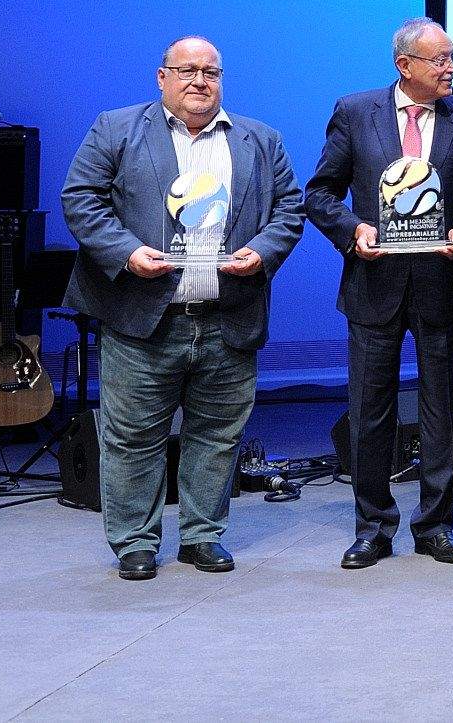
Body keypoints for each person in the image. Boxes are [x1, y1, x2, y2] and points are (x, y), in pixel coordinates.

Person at [61, 37, 305, 580]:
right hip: (143, 317)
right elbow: (80, 198)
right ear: (162, 77)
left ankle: (202, 535)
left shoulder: (261, 139)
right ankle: (135, 542)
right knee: (132, 437)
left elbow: (290, 209)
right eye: (187, 70)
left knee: (217, 436)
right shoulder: (116, 129)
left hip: (228, 316)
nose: (200, 81)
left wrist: (261, 252)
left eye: (210, 72)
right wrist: (126, 253)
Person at [304, 18, 453, 570]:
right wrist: (353, 230)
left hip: (442, 282)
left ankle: (435, 526)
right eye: (440, 60)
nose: (450, 69)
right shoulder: (355, 111)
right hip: (374, 284)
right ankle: (373, 527)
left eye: (452, 59)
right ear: (404, 65)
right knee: (369, 411)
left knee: (443, 411)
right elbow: (320, 194)